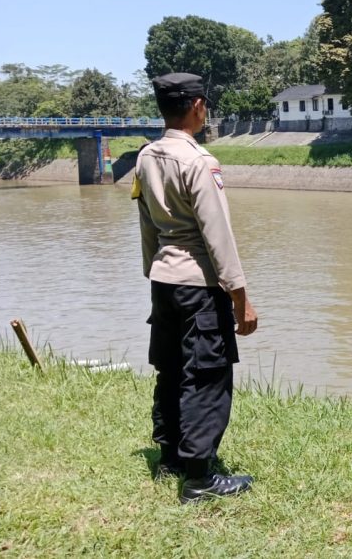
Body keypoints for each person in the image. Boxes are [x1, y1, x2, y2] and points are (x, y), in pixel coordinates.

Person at [133, 73, 259, 504]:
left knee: (170, 368)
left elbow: (147, 223)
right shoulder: (199, 161)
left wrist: (153, 268)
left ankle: (170, 456)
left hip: (163, 279)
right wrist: (240, 297)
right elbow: (217, 234)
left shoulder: (146, 156)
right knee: (206, 375)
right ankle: (200, 478)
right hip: (200, 285)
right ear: (198, 106)